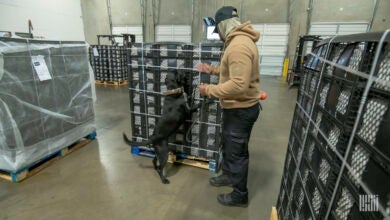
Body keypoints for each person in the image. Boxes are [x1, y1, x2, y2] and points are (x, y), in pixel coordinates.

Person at [197, 6, 261, 207]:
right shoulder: (239, 42)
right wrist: (214, 70)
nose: (220, 35)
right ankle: (228, 174)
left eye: (219, 30)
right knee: (229, 145)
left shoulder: (238, 46)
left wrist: (208, 90)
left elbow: (238, 85)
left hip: (240, 109)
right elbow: (233, 73)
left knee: (236, 152)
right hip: (235, 109)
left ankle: (239, 194)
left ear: (223, 26)